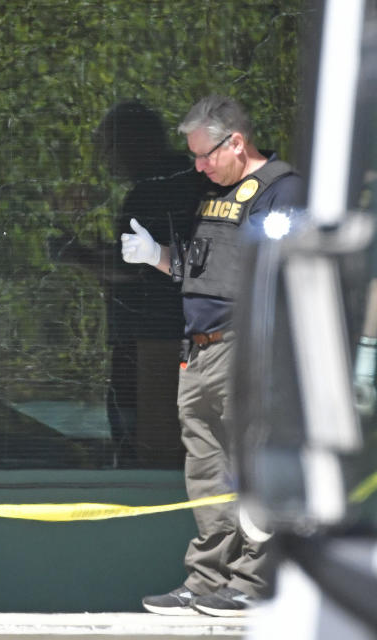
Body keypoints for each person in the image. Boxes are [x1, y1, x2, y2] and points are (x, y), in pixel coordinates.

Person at [120, 95, 304, 617]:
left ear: (236, 142)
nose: (197, 167)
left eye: (204, 156)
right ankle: (208, 578)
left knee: (250, 468)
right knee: (207, 471)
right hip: (198, 352)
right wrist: (156, 256)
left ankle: (254, 578)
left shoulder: (281, 192)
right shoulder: (217, 193)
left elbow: (282, 276)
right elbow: (208, 271)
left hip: (247, 350)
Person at [93, 101, 207, 467]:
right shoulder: (193, 180)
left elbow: (131, 268)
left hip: (153, 342)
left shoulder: (151, 190)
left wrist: (74, 255)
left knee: (143, 448)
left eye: (108, 147)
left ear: (133, 143)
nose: (105, 160)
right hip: (191, 335)